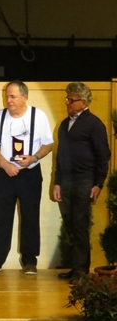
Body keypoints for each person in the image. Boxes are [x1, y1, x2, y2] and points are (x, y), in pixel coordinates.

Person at [0, 80, 54, 275]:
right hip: (5, 174)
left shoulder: (38, 116)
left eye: (13, 96)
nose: (9, 100)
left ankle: (30, 261)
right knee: (1, 218)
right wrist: (5, 165)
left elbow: (48, 144)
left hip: (30, 174)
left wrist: (34, 158)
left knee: (31, 217)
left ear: (25, 97)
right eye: (7, 96)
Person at [54, 82, 110, 282]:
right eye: (67, 98)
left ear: (83, 102)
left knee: (80, 225)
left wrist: (98, 184)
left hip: (84, 181)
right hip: (67, 181)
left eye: (71, 100)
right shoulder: (63, 124)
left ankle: (81, 271)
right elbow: (60, 156)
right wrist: (57, 182)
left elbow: (103, 156)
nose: (67, 102)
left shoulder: (94, 124)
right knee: (70, 225)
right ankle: (75, 266)